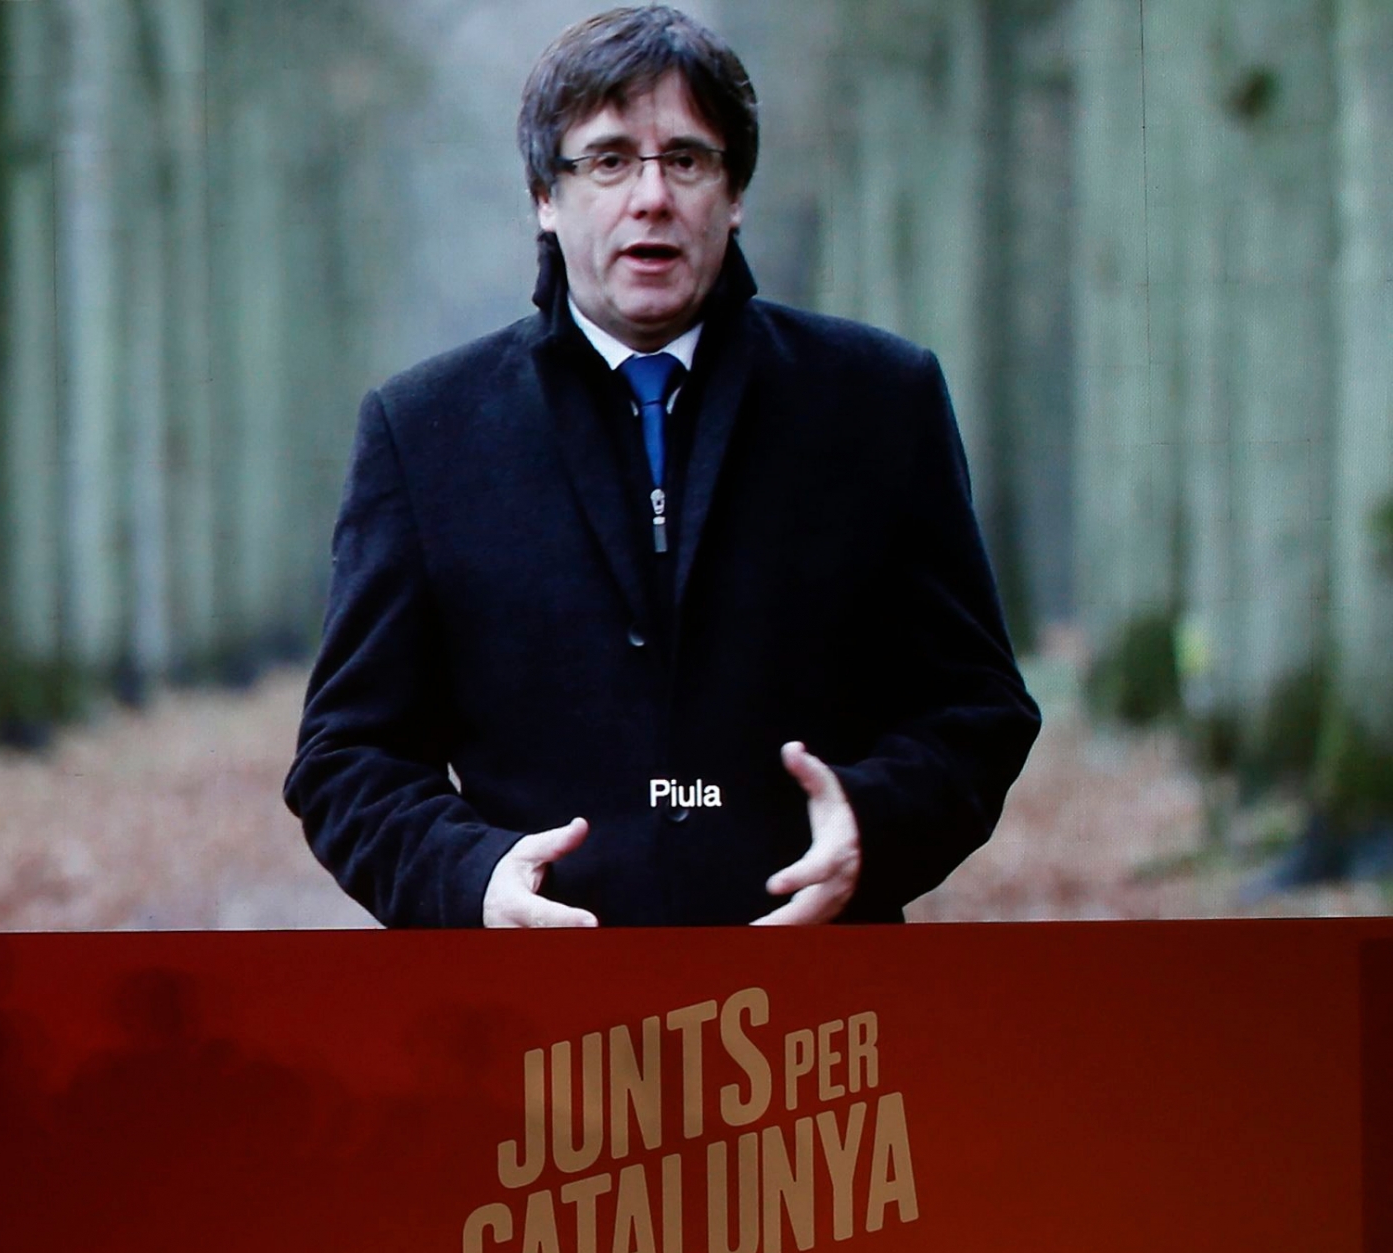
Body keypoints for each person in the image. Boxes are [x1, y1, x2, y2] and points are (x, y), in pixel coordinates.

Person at [285, 5, 1039, 928]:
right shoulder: (423, 430)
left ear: (734, 193)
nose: (652, 197)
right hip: (534, 1026)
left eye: (687, 159)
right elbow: (347, 757)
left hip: (816, 1016)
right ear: (544, 199)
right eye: (607, 161)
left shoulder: (880, 402)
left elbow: (976, 709)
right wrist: (473, 880)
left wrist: (874, 825)